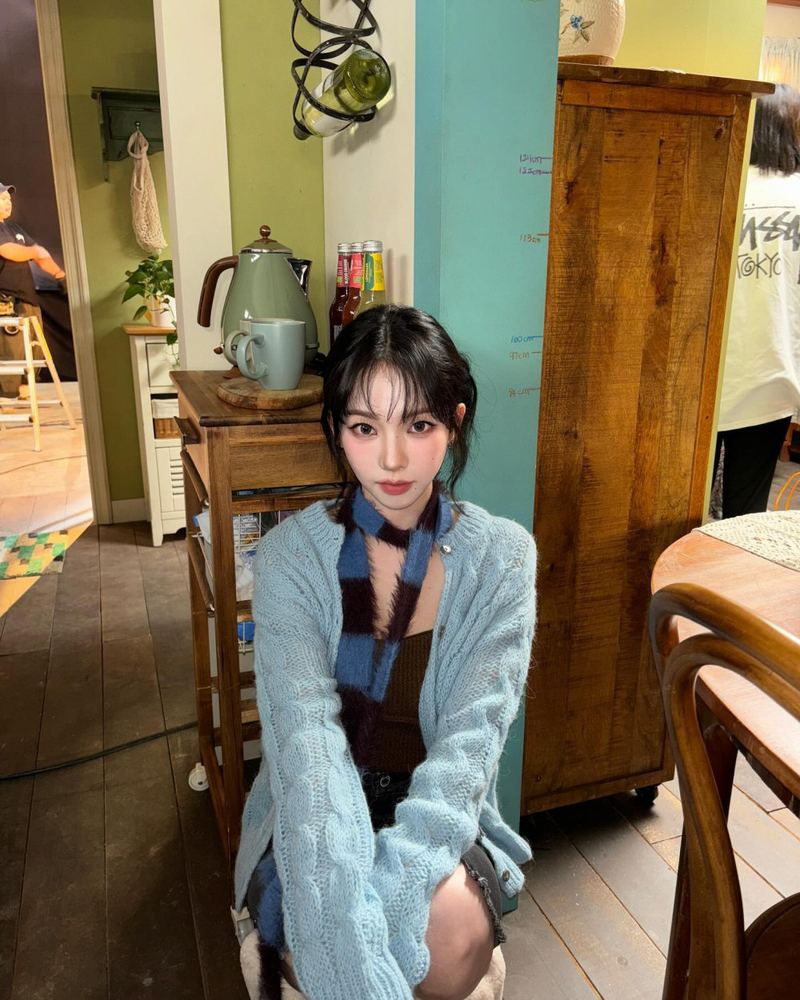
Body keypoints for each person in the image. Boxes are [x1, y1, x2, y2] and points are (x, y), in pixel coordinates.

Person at [235, 305, 537, 1000]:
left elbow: (469, 752)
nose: (392, 458)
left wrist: (394, 897)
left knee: (445, 938)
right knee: (323, 928)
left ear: (454, 422)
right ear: (337, 429)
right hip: (313, 806)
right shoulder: (289, 562)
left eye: (419, 425)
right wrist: (350, 942)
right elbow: (308, 754)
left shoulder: (502, 561)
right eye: (365, 427)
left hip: (436, 809)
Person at [715, 85, 800, 517]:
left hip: (707, 379)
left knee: (674, 505)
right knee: (745, 515)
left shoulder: (718, 186)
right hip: (772, 381)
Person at [0, 182, 66, 398]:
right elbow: (9, 251)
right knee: (10, 349)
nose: (8, 202)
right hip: (6, 302)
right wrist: (35, 251)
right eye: (3, 198)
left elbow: (41, 254)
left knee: (32, 348)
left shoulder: (15, 229)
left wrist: (61, 276)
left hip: (27, 299)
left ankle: (25, 392)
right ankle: (6, 399)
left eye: (9, 199)